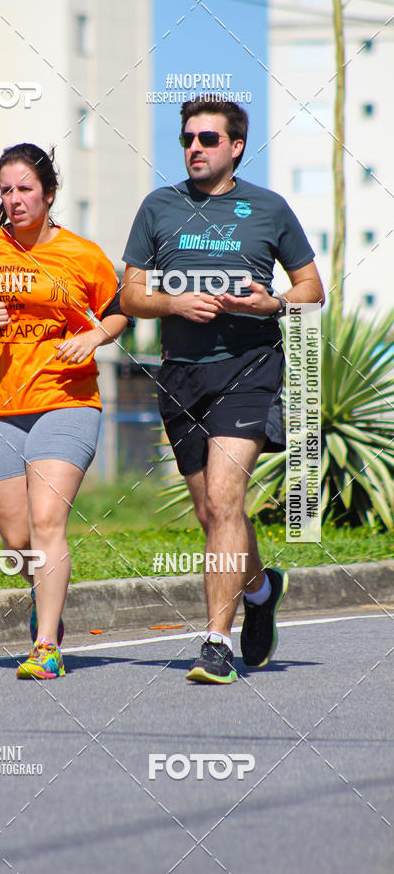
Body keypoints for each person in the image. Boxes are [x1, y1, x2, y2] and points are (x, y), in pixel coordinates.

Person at [121, 98, 324, 684]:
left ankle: (216, 642)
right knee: (212, 511)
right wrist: (172, 302)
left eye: (208, 139)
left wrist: (276, 302)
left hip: (249, 366)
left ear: (236, 146)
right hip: (180, 373)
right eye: (187, 138)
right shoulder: (158, 207)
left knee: (228, 498)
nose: (194, 148)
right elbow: (130, 295)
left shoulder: (268, 208)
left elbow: (312, 285)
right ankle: (260, 588)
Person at [0, 143, 130, 680]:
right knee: (16, 537)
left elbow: (118, 314)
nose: (15, 199)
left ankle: (46, 644)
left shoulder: (82, 255)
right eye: (7, 190)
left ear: (48, 194)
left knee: (47, 521)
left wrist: (92, 336)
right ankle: (48, 603)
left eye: (25, 189)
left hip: (67, 401)